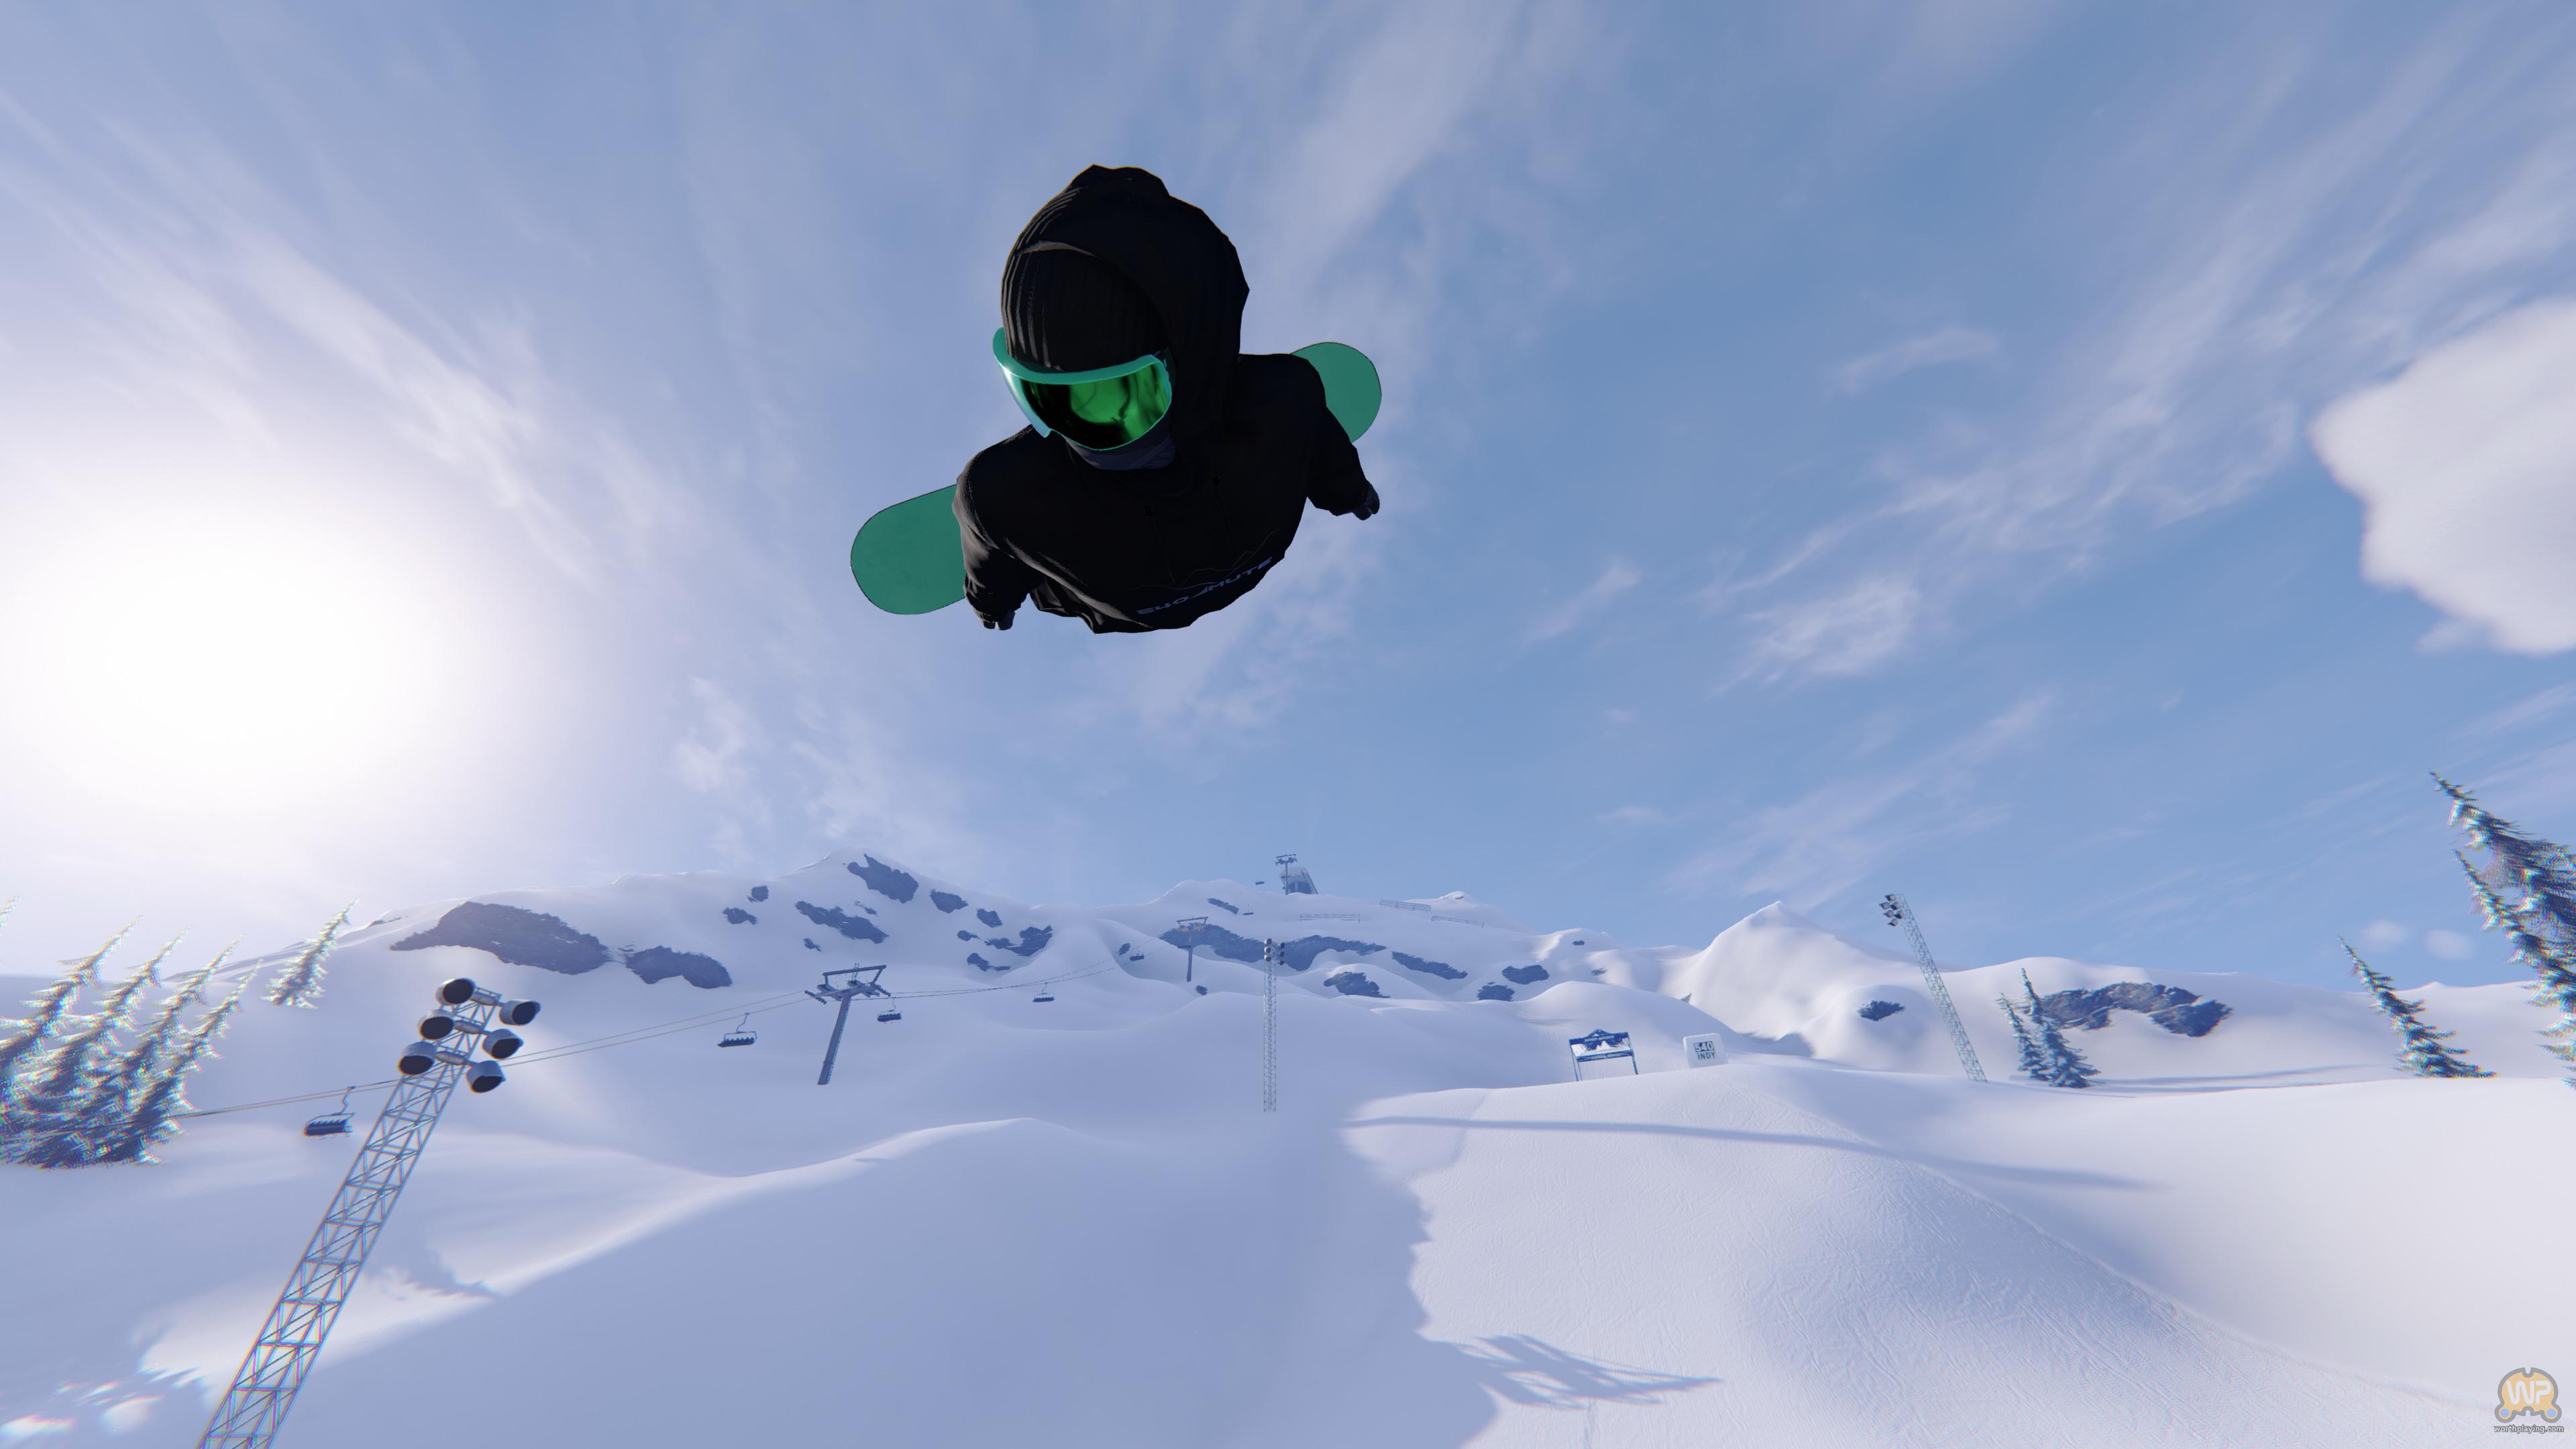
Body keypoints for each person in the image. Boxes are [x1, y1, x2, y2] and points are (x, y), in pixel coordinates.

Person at [955, 165, 1379, 633]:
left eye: (1112, 397)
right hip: (1253, 553)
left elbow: (985, 530)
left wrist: (992, 601)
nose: (1074, 427)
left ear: (1190, 368)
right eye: (1041, 397)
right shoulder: (1286, 397)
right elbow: (1316, 433)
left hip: (1122, 605)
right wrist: (1348, 492)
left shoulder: (1000, 499)